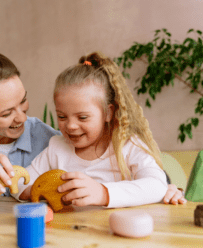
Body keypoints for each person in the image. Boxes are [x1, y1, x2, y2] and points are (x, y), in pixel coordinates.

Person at [0, 50, 185, 206]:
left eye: (24, 101)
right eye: (6, 113)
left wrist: (167, 188)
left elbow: (150, 179)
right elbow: (26, 181)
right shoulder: (57, 145)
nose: (21, 117)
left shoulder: (50, 137)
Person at [15, 52, 187, 208]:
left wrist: (103, 193)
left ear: (108, 113)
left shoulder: (126, 145)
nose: (70, 126)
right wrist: (43, 191)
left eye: (82, 117)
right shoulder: (57, 147)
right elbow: (20, 183)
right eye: (61, 117)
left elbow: (156, 186)